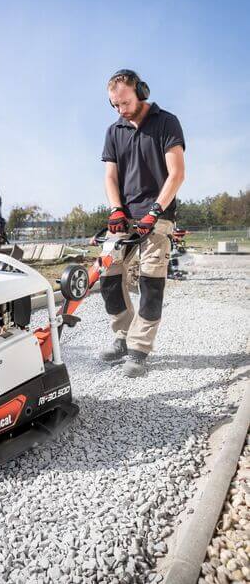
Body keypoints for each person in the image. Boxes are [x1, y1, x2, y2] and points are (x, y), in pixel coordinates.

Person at [94, 69, 185, 377]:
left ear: (141, 92)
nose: (121, 110)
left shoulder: (166, 122)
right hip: (124, 216)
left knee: (150, 282)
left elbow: (177, 174)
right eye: (115, 105)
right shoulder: (114, 131)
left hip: (158, 215)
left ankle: (139, 348)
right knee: (108, 276)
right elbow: (110, 176)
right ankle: (122, 335)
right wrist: (115, 209)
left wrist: (155, 212)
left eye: (126, 103)